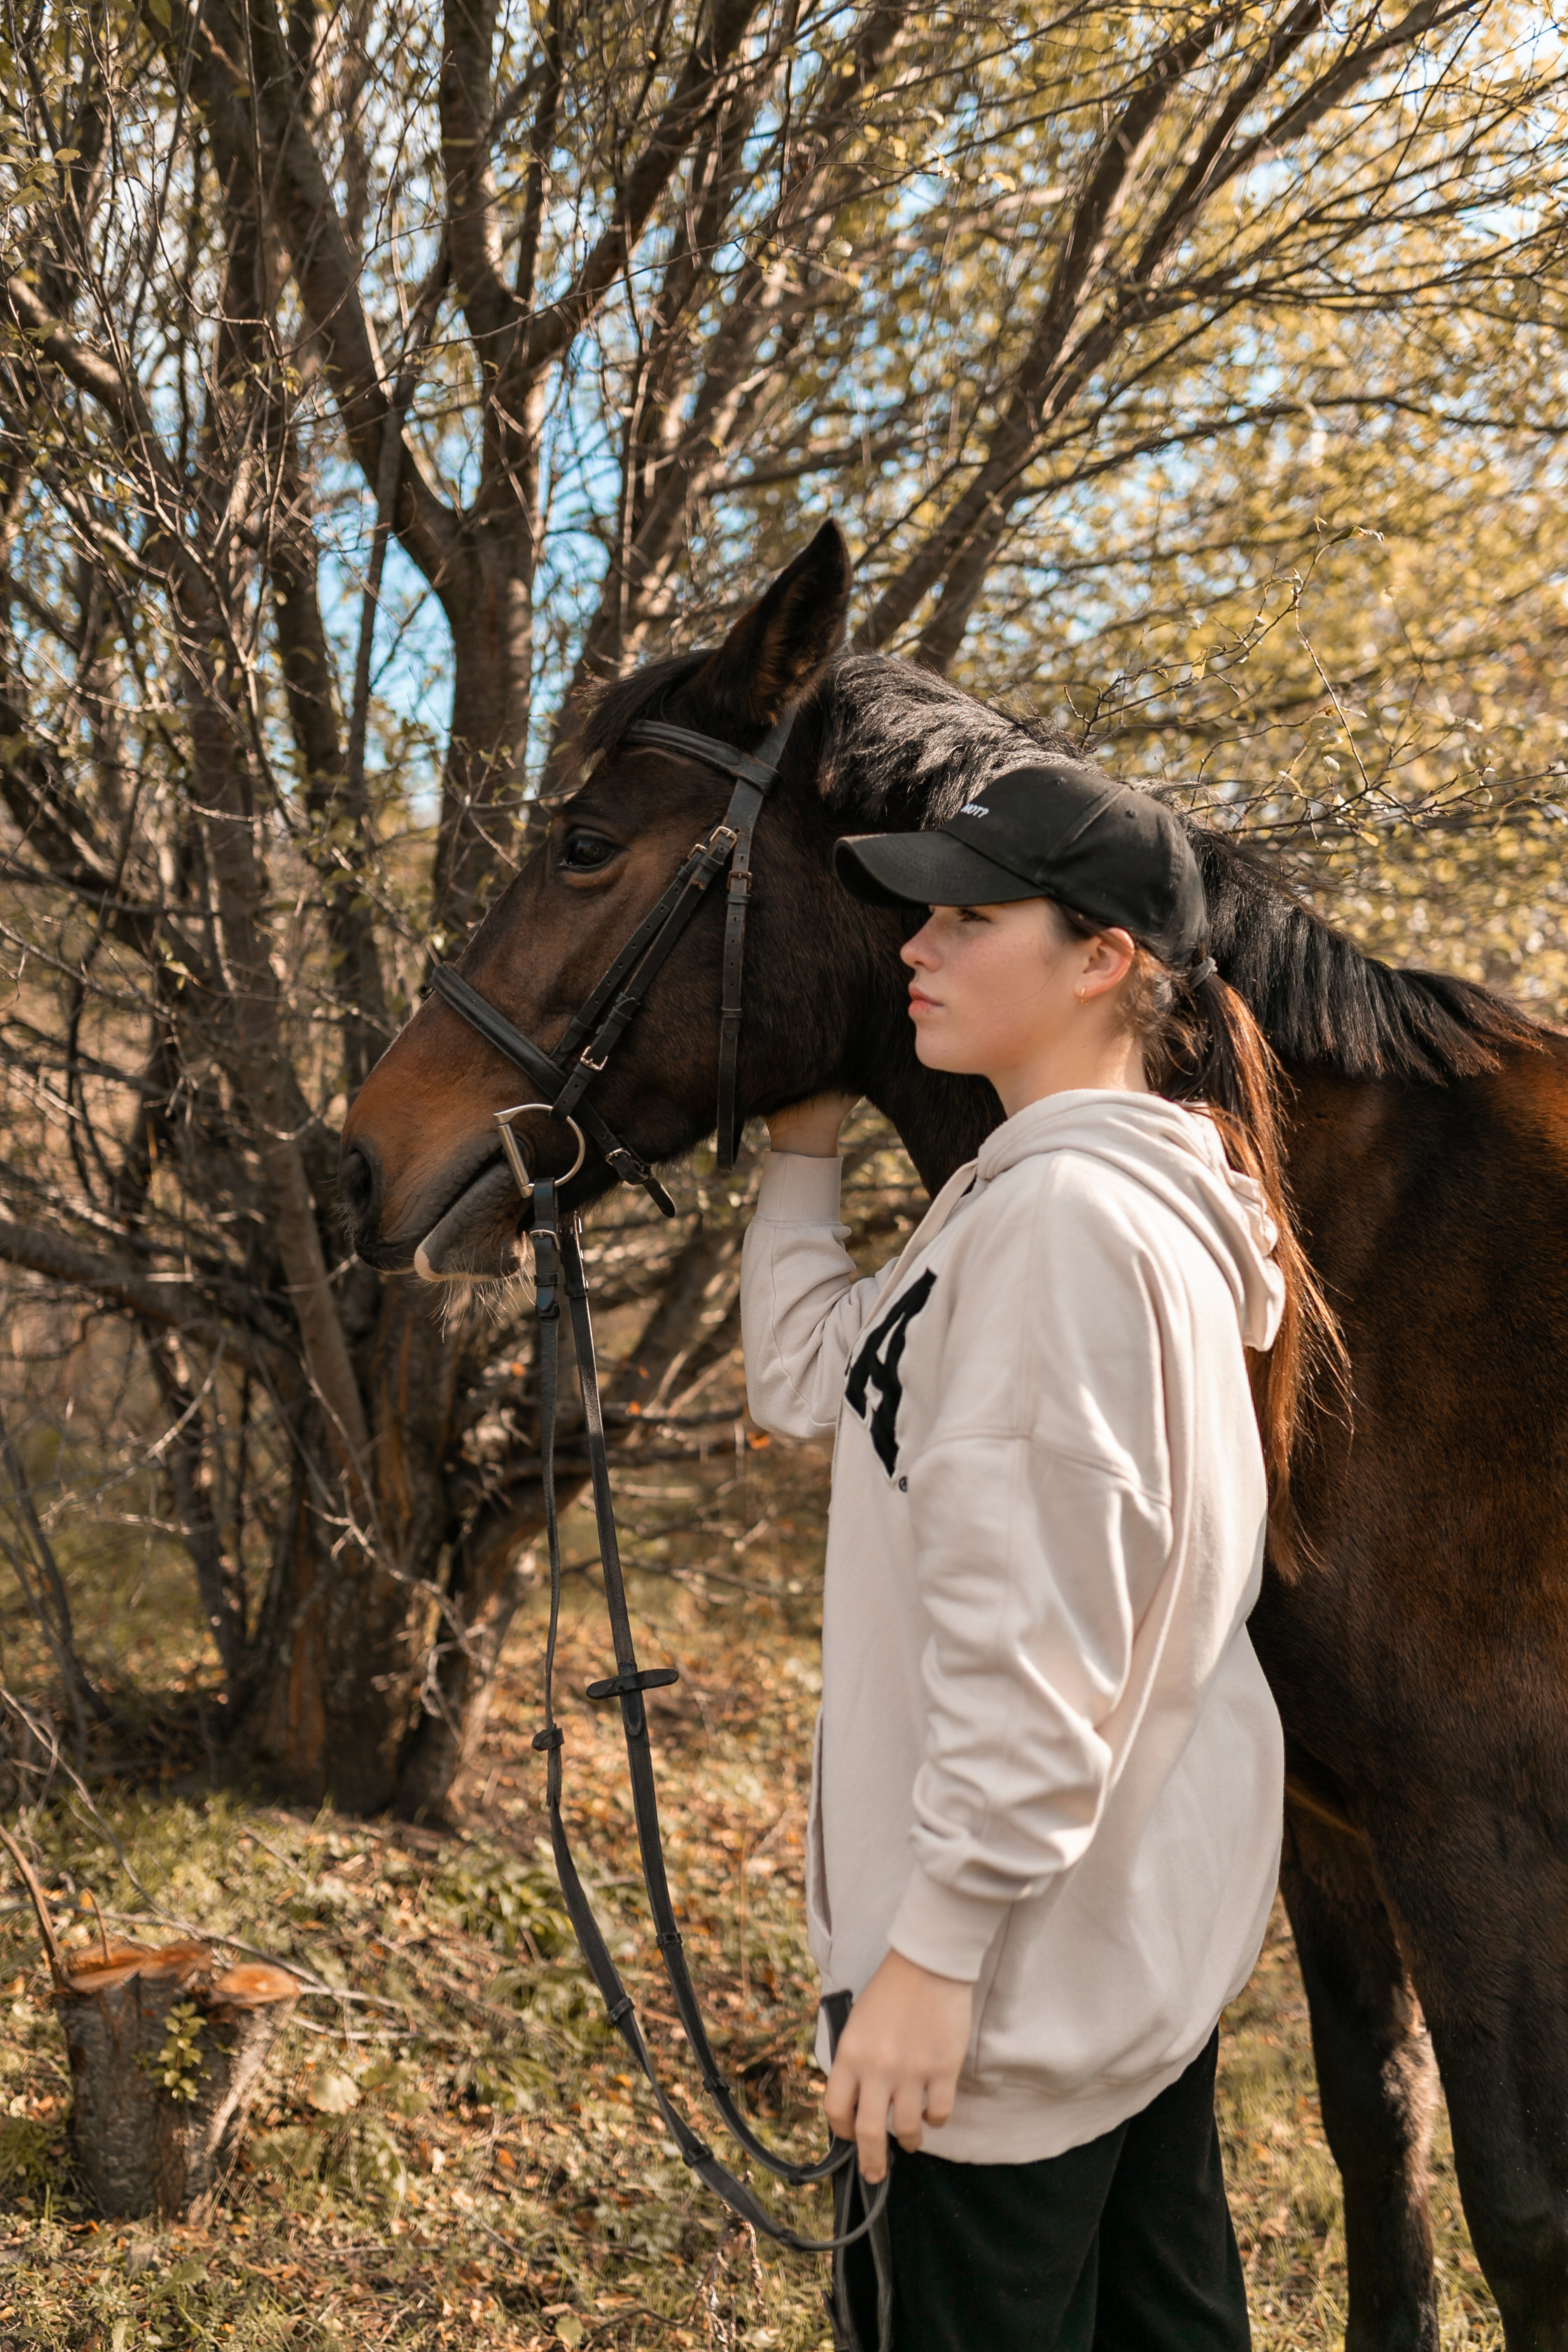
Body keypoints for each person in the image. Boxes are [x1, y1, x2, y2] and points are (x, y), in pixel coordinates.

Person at [738, 762, 1336, 2352]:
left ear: (1103, 960)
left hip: (996, 2002)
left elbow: (1040, 1648)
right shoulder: (1046, 1194)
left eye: (967, 913)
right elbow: (814, 1372)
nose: (915, 947)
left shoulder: (1062, 1223)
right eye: (923, 912)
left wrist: (929, 1960)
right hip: (1114, 1960)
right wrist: (802, 1145)